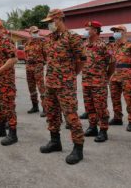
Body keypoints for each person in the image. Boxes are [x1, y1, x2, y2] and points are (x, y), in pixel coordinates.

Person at [39, 9, 86, 165]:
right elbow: (48, 58)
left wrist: (71, 74)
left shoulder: (72, 37)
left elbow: (82, 59)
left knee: (71, 116)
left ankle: (78, 149)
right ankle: (55, 142)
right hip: (50, 83)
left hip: (65, 84)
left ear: (59, 19)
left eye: (50, 22)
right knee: (52, 114)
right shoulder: (48, 39)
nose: (49, 25)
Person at [81, 21, 115, 143]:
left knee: (100, 107)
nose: (86, 31)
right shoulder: (84, 44)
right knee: (89, 106)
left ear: (95, 31)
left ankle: (103, 130)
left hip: (99, 82)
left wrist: (106, 76)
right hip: (86, 81)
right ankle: (92, 127)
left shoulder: (105, 45)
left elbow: (112, 63)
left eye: (88, 29)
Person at [109, 25, 131, 132]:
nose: (115, 33)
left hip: (126, 76)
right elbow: (110, 60)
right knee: (115, 98)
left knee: (128, 99)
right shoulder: (113, 46)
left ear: (124, 32)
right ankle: (118, 118)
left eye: (117, 31)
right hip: (114, 76)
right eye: (114, 31)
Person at [24, 26, 46, 116]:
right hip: (29, 67)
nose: (35, 33)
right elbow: (26, 54)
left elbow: (46, 55)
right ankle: (35, 106)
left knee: (41, 87)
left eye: (36, 31)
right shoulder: (27, 43)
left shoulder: (42, 42)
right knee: (31, 87)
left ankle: (46, 108)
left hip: (38, 66)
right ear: (29, 33)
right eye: (33, 32)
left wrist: (40, 63)